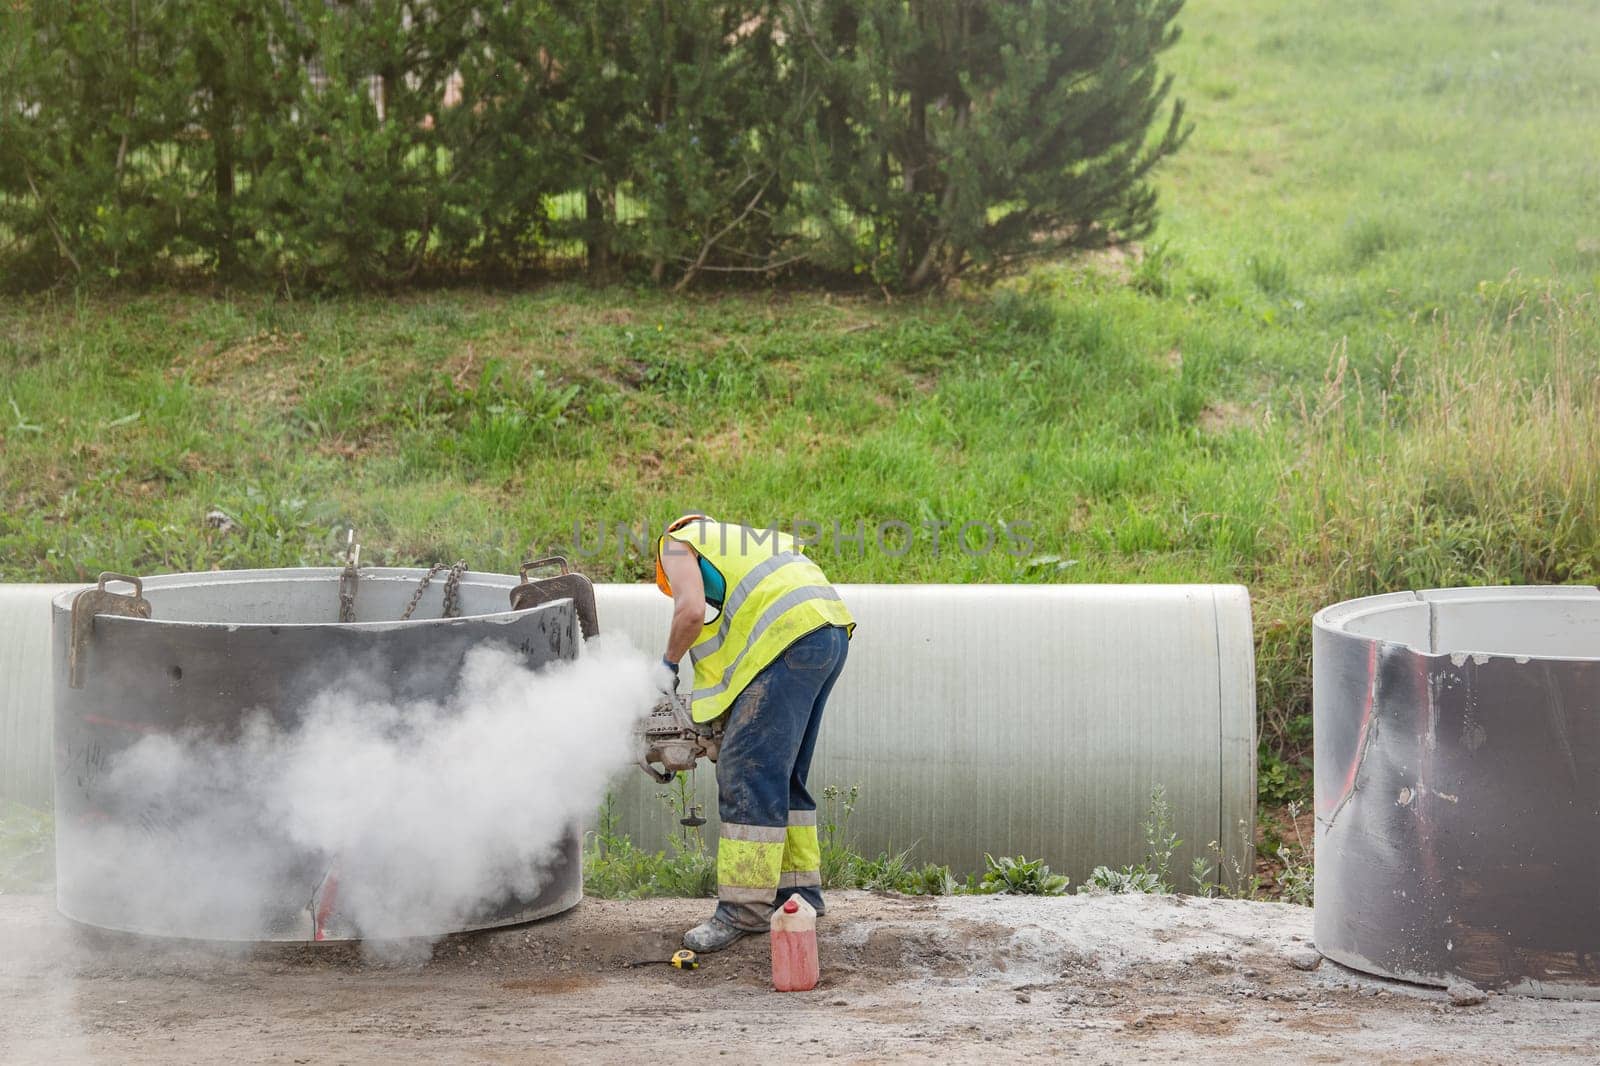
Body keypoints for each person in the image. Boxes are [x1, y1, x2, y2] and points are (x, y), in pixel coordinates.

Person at [654, 513, 854, 952]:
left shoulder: (674, 542)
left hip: (790, 639)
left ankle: (743, 912)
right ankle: (798, 896)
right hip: (829, 633)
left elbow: (689, 612)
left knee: (747, 769)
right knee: (782, 775)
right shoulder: (743, 540)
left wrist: (667, 664)